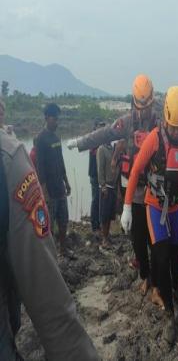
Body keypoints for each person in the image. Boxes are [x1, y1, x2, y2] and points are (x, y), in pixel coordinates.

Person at [0, 129, 99, 361]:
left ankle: (64, 246)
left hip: (54, 191)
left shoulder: (45, 144)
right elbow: (50, 302)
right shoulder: (9, 159)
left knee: (61, 222)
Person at [67, 75, 158, 297]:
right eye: (140, 107)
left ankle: (154, 280)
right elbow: (105, 133)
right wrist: (80, 143)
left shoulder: (160, 123)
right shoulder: (126, 123)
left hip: (156, 190)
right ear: (134, 103)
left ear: (152, 103)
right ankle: (145, 275)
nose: (143, 112)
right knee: (137, 239)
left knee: (155, 239)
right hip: (135, 191)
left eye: (146, 107)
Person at [121, 86, 178, 342]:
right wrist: (128, 206)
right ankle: (168, 308)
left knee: (176, 256)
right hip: (154, 207)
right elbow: (135, 171)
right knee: (160, 258)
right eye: (173, 127)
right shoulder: (154, 138)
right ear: (165, 119)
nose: (176, 132)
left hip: (175, 209)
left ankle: (175, 289)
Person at [35, 103, 71, 254]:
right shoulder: (40, 139)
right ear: (46, 118)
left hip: (60, 187)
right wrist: (44, 191)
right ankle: (50, 253)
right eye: (54, 119)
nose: (56, 122)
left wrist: (67, 181)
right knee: (48, 224)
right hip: (49, 189)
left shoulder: (56, 138)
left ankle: (63, 249)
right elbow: (40, 167)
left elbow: (61, 161)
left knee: (63, 220)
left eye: (57, 119)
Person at [97, 139, 119, 247]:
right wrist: (103, 186)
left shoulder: (112, 149)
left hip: (113, 186)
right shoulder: (101, 149)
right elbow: (100, 169)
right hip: (106, 187)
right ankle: (104, 239)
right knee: (104, 215)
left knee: (110, 214)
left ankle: (107, 235)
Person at [89, 120, 106, 236]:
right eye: (100, 127)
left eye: (103, 128)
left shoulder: (101, 142)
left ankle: (99, 224)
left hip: (101, 176)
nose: (102, 130)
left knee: (100, 200)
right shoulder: (93, 141)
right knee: (95, 199)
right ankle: (94, 226)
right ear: (95, 129)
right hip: (95, 175)